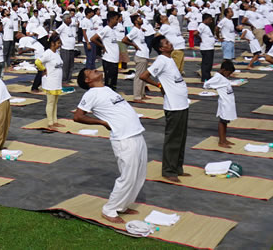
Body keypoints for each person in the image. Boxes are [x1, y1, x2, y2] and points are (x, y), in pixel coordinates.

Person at [74, 67, 148, 223]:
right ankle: (110, 210)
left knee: (139, 175)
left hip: (135, 133)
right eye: (91, 72)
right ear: (88, 80)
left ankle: (123, 205)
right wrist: (101, 122)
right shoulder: (91, 94)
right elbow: (78, 116)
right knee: (127, 176)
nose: (95, 70)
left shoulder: (107, 89)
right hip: (124, 138)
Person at [140, 36, 190, 183]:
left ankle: (177, 167)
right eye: (167, 43)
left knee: (181, 138)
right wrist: (159, 86)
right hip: (174, 106)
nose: (170, 43)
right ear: (161, 48)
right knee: (173, 139)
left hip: (182, 103)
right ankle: (168, 170)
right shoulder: (161, 60)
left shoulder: (169, 60)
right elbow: (144, 76)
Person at [204, 59, 238, 148]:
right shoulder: (218, 77)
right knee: (222, 121)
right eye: (229, 73)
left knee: (225, 121)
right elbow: (206, 84)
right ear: (223, 70)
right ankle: (221, 141)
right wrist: (215, 87)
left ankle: (224, 139)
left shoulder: (222, 77)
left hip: (229, 103)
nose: (229, 75)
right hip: (224, 103)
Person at [37, 33, 64, 129]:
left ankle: (55, 121)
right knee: (51, 102)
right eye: (58, 43)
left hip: (57, 81)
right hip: (50, 81)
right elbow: (38, 62)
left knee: (55, 103)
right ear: (52, 43)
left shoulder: (56, 53)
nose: (59, 45)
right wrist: (43, 69)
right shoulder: (47, 53)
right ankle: (50, 122)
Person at [122, 15, 151, 102]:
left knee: (143, 76)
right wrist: (134, 45)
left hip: (144, 55)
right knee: (139, 76)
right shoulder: (134, 30)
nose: (141, 20)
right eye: (139, 19)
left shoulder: (140, 30)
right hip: (140, 55)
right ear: (135, 21)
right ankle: (137, 96)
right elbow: (124, 39)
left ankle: (142, 94)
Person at [92, 11, 122, 90]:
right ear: (111, 19)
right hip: (109, 59)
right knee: (109, 81)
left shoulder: (113, 30)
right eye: (116, 19)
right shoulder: (106, 29)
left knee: (113, 81)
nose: (117, 21)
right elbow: (93, 38)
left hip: (114, 59)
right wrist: (102, 46)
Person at [198, 14, 217, 83]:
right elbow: (195, 33)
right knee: (206, 64)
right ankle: (205, 78)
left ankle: (207, 76)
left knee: (209, 64)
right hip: (206, 48)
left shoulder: (206, 26)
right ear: (205, 20)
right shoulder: (202, 26)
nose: (211, 21)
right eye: (209, 19)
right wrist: (200, 39)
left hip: (209, 47)